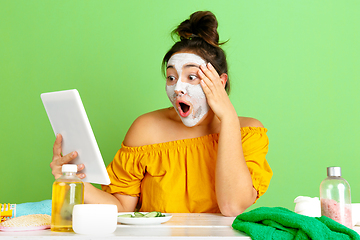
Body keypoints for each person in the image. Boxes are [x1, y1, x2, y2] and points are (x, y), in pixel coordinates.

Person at [50, 11, 272, 217]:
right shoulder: (145, 129)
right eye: (171, 77)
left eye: (192, 77)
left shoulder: (247, 133)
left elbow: (232, 206)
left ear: (220, 82)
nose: (178, 89)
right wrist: (71, 180)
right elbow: (120, 209)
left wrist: (229, 119)